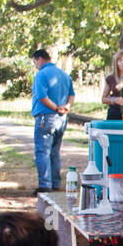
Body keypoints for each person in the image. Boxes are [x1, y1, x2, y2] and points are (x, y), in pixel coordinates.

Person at [30, 48, 75, 193]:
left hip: (46, 117)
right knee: (55, 151)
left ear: (39, 59)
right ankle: (55, 182)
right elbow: (71, 94)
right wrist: (66, 107)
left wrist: (56, 108)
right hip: (62, 118)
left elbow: (42, 96)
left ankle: (44, 184)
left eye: (35, 62)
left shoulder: (41, 74)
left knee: (42, 151)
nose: (35, 65)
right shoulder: (64, 75)